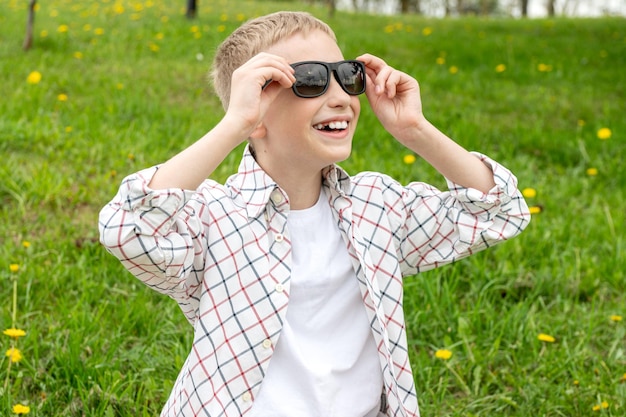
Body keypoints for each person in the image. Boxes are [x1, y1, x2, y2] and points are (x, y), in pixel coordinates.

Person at [98, 10, 530, 417]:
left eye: (347, 76)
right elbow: (128, 228)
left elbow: (499, 211)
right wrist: (234, 125)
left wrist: (414, 130)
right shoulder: (216, 219)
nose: (340, 96)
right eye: (309, 81)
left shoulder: (376, 208)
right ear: (256, 113)